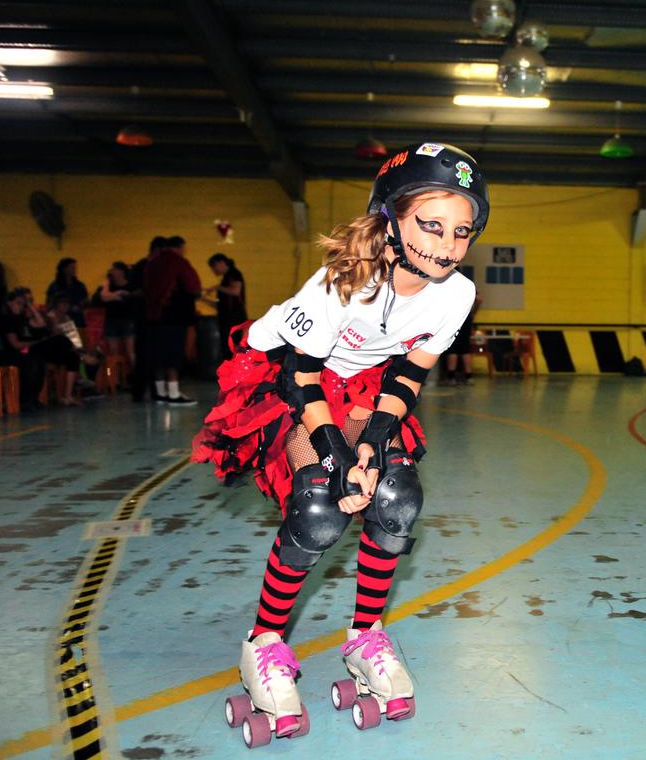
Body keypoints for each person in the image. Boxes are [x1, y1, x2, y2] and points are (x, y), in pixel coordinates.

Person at [192, 143, 488, 740]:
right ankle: (264, 644)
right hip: (289, 375)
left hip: (366, 381)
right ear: (391, 220)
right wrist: (336, 453)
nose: (447, 246)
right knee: (321, 504)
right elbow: (299, 376)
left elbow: (408, 374)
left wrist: (373, 448)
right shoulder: (343, 282)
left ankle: (365, 637)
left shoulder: (457, 292)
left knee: (398, 499)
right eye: (430, 226)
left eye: (462, 232)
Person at [144, 235, 201, 405]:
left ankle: (161, 394)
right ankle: (174, 394)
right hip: (175, 316)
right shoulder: (179, 262)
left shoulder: (152, 263)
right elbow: (193, 286)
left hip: (153, 317)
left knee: (159, 355)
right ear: (180, 247)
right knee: (174, 355)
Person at [0, 289, 82, 405]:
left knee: (72, 357)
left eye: (23, 304)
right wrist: (36, 342)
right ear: (9, 303)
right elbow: (16, 345)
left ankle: (68, 396)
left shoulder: (24, 319)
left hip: (36, 349)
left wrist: (29, 304)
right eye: (19, 303)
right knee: (60, 340)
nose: (22, 306)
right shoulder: (8, 320)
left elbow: (42, 324)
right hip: (24, 351)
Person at [128, 236, 167, 402]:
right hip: (147, 318)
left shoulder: (145, 266)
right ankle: (147, 391)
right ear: (157, 250)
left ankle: (144, 391)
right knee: (148, 356)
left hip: (147, 318)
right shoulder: (146, 267)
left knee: (148, 356)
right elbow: (135, 291)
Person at [204, 252, 247, 358]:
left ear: (221, 263)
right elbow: (221, 305)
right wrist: (204, 299)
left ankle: (234, 372)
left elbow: (236, 291)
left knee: (233, 348)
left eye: (213, 267)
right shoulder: (226, 277)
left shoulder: (234, 274)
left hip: (234, 319)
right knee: (227, 348)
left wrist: (217, 287)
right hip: (227, 319)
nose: (214, 271)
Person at [95, 261, 136, 366]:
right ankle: (114, 378)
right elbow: (103, 297)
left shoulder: (130, 285)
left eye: (114, 269)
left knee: (130, 351)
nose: (112, 271)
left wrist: (110, 296)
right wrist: (117, 294)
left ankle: (137, 375)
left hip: (127, 320)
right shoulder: (108, 284)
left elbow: (127, 298)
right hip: (111, 320)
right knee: (113, 352)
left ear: (121, 272)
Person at [443, 289, 481, 385]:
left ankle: (451, 378)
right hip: (466, 319)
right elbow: (479, 299)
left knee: (453, 349)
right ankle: (469, 377)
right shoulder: (468, 288)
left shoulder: (453, 288)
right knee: (465, 349)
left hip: (454, 320)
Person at [46, 258, 89, 328]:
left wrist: (80, 307)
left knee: (77, 338)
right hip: (60, 318)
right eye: (72, 268)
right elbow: (49, 303)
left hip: (77, 319)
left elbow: (86, 301)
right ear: (64, 269)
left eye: (75, 268)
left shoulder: (79, 285)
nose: (74, 270)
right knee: (63, 338)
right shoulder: (55, 286)